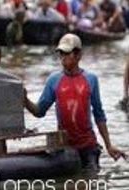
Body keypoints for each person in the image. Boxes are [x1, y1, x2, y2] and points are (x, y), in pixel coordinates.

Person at [23, 33, 127, 170]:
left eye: (67, 53)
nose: (63, 57)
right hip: (65, 147)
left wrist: (108, 145)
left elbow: (99, 115)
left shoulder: (91, 80)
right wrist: (25, 100)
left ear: (78, 55)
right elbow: (39, 111)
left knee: (91, 180)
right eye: (60, 53)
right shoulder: (53, 81)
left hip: (88, 145)